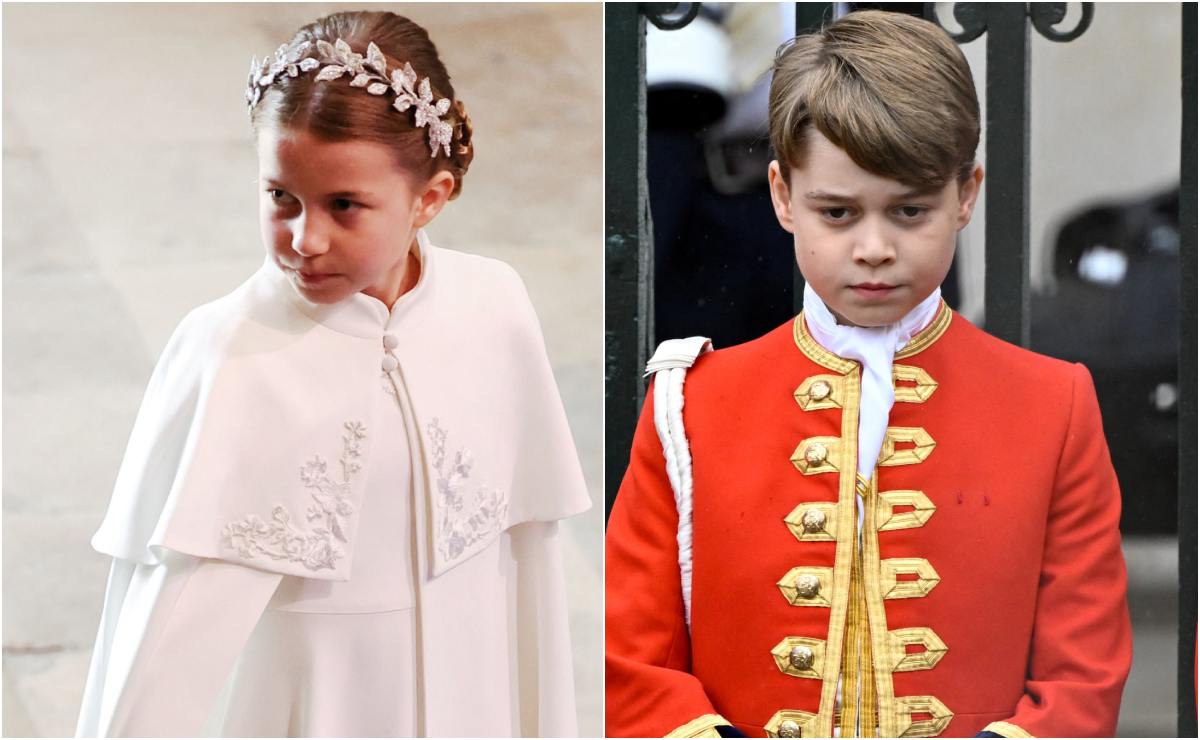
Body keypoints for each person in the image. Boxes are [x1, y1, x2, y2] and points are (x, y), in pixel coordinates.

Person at [605, 10, 1131, 739]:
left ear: (967, 194)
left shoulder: (1053, 402)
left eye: (910, 210)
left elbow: (1084, 673)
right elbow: (629, 661)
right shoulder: (690, 404)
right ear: (783, 197)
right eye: (838, 212)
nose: (875, 247)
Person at [75, 10, 590, 738]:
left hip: (473, 702)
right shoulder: (230, 350)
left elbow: (529, 572)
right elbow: (167, 639)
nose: (303, 239)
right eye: (280, 196)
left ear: (430, 198)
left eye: (344, 205)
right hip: (319, 710)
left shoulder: (494, 304)